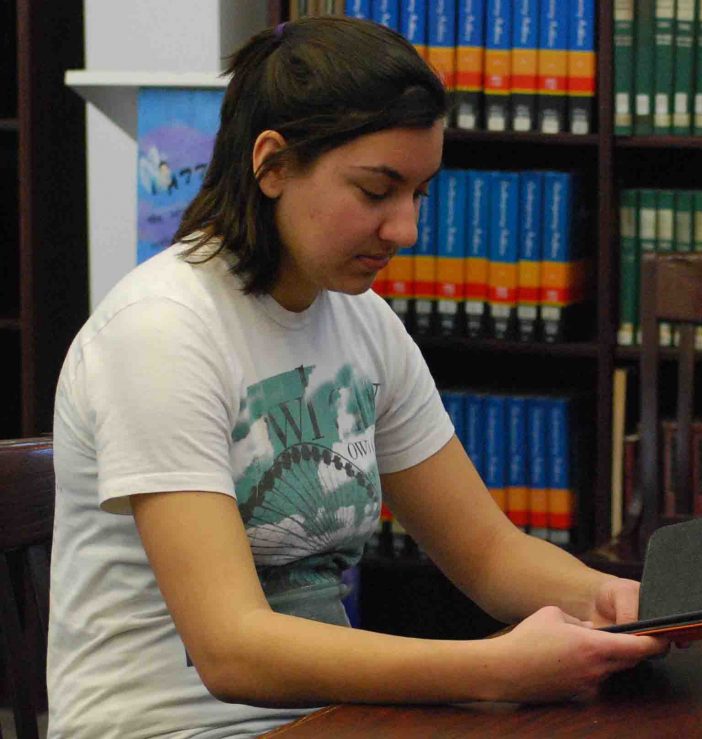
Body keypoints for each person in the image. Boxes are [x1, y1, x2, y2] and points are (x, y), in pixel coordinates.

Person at [47, 16, 666, 739]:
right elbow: (232, 650)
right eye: (377, 191)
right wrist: (494, 670)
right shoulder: (160, 331)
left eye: (420, 194)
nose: (405, 229)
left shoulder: (363, 323)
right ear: (271, 165)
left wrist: (620, 601)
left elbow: (490, 556)